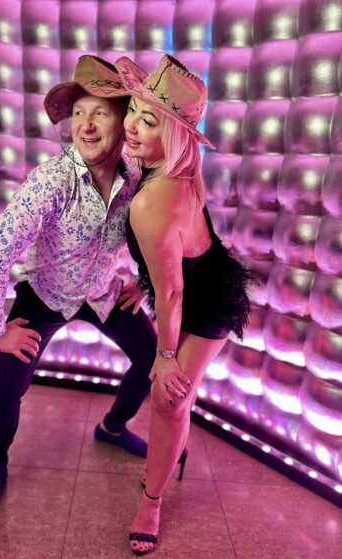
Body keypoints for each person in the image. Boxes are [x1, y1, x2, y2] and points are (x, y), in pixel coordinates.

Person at [0, 55, 157, 536]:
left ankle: (112, 427)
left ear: (124, 120)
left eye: (100, 113)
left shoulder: (138, 174)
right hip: (45, 294)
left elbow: (158, 232)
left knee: (151, 356)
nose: (85, 126)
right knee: (4, 387)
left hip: (103, 291)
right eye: (78, 113)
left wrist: (144, 281)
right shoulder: (50, 182)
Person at [114, 54, 251, 555]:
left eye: (149, 121)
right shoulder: (170, 166)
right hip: (189, 284)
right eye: (132, 110)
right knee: (175, 402)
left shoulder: (153, 197)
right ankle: (175, 450)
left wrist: (166, 356)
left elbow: (173, 290)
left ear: (172, 135)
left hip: (207, 301)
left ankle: (151, 502)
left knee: (168, 399)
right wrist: (142, 282)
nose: (131, 125)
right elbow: (168, 261)